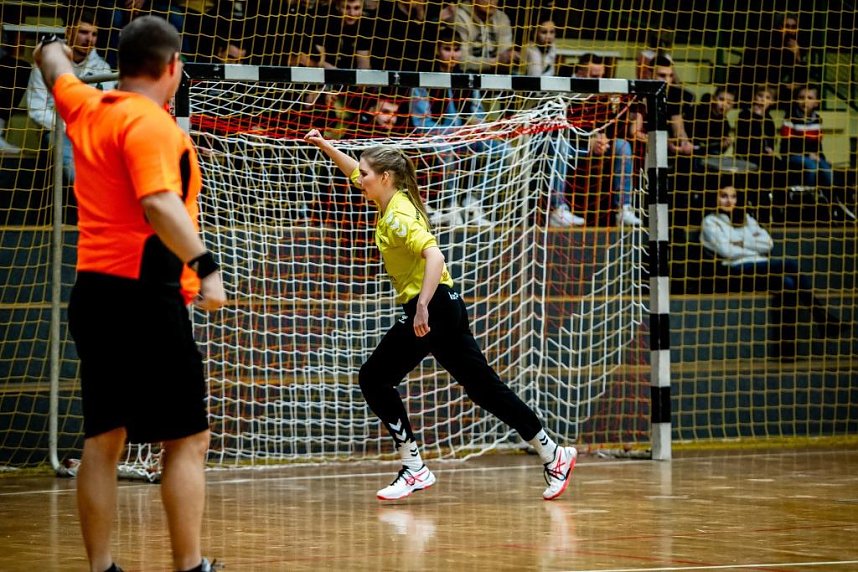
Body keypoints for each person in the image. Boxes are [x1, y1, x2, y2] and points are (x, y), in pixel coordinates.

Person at [34, 14, 226, 572]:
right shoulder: (151, 124)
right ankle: (189, 567)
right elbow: (159, 204)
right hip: (147, 295)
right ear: (172, 67)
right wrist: (206, 266)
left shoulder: (88, 105)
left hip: (92, 295)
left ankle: (103, 569)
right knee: (188, 438)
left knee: (104, 437)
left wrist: (52, 46)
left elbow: (52, 66)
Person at [304, 128, 578, 501]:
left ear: (385, 177)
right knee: (483, 388)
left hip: (432, 308)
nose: (359, 181)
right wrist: (325, 146)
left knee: (374, 378)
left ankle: (414, 466)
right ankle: (552, 453)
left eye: (366, 176)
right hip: (444, 307)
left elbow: (435, 256)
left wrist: (420, 306)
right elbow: (356, 170)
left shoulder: (399, 214)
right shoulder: (391, 197)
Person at [700, 181, 844, 360]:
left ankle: (786, 352)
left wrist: (739, 242)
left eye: (733, 196)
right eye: (724, 196)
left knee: (789, 285)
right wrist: (750, 243)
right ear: (715, 198)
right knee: (790, 265)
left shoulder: (747, 218)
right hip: (733, 271)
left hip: (759, 266)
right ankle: (820, 316)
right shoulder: (710, 222)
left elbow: (768, 244)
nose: (729, 201)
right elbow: (726, 251)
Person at [25, 8, 116, 183]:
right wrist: (69, 127)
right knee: (76, 171)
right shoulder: (46, 63)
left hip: (91, 132)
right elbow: (37, 110)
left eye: (94, 34)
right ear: (69, 32)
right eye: (83, 32)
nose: (89, 39)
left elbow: (106, 110)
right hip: (56, 130)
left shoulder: (103, 67)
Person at [571, 54, 641, 226]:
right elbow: (559, 128)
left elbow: (610, 125)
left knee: (622, 146)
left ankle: (623, 208)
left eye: (602, 75)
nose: (600, 80)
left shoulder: (606, 93)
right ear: (580, 72)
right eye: (594, 77)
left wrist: (604, 138)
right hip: (572, 144)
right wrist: (588, 140)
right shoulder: (566, 92)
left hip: (600, 144)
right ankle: (557, 209)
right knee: (559, 147)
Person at [453, 0, 519, 74]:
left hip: (495, 75)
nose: (491, 1)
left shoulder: (501, 18)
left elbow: (504, 56)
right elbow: (460, 61)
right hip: (464, 75)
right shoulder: (458, 17)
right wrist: (494, 62)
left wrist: (509, 58)